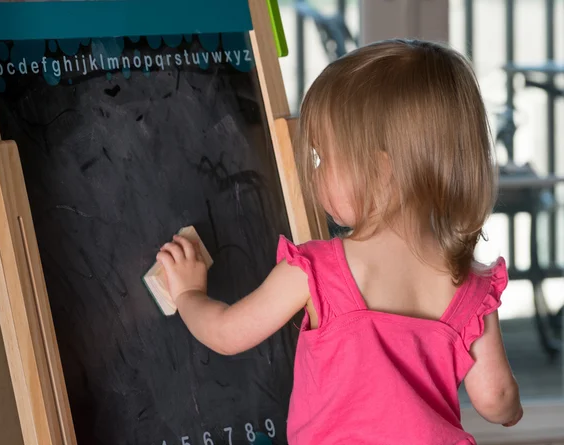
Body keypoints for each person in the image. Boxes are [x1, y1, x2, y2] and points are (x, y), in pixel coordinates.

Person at [156, 39, 523, 444]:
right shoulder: (469, 285)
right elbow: (495, 397)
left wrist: (189, 293)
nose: (315, 173)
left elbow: (227, 333)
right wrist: (512, 413)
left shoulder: (316, 272)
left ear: (380, 171)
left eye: (323, 158)